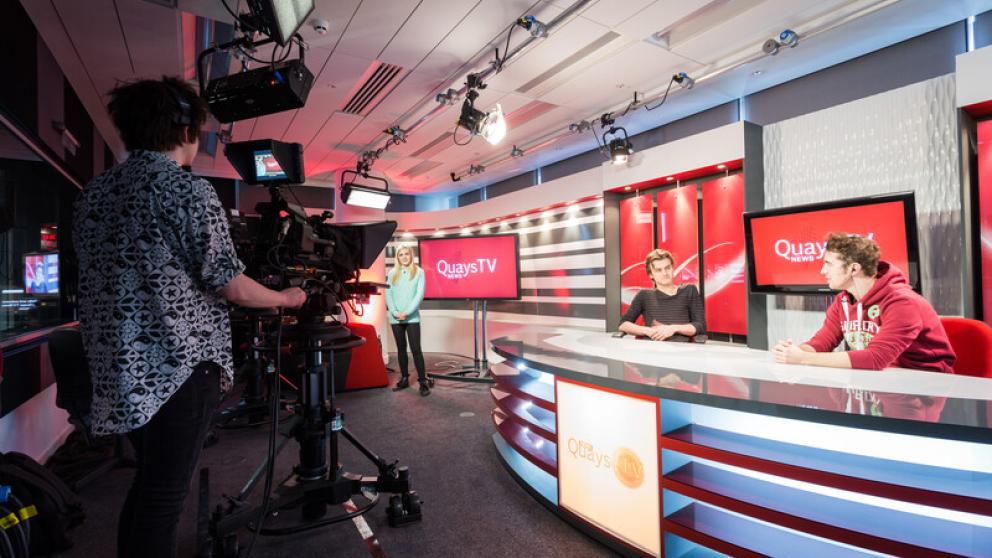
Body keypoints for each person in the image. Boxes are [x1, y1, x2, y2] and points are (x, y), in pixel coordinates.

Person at [73, 76, 306, 558]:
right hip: (178, 369)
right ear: (185, 130)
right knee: (164, 497)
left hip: (121, 373)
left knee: (151, 485)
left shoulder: (92, 195)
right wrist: (288, 299)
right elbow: (231, 284)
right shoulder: (186, 190)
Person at [772, 232, 955, 372]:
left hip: (925, 388)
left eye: (828, 264)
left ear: (853, 268)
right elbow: (822, 342)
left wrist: (803, 358)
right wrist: (795, 351)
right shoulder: (843, 300)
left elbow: (875, 359)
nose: (822, 271)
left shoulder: (903, 302)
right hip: (879, 383)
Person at [618, 249, 706, 342]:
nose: (664, 273)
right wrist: (648, 330)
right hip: (652, 349)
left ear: (673, 268)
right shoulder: (644, 295)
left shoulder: (689, 290)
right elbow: (623, 324)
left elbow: (700, 326)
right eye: (658, 270)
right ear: (651, 275)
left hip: (680, 351)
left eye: (667, 268)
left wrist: (672, 328)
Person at [385, 246, 429, 396]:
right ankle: (404, 378)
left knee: (416, 349)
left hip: (412, 317)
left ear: (411, 256)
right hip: (395, 317)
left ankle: (423, 381)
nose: (404, 257)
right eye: (401, 255)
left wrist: (407, 312)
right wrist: (396, 312)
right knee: (401, 349)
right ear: (397, 257)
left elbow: (419, 295)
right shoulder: (392, 274)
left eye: (406, 254)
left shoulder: (419, 272)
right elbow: (388, 294)